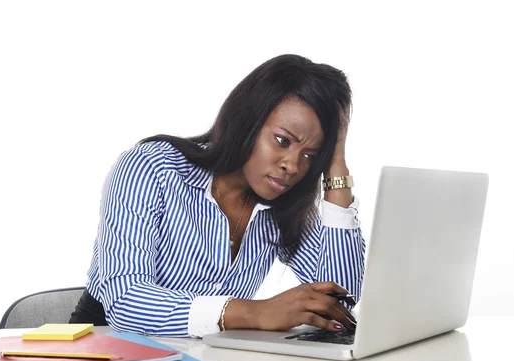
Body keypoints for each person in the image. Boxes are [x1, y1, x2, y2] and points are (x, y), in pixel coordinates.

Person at [70, 54, 366, 338]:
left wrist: (336, 164)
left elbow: (340, 302)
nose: (292, 165)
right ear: (247, 121)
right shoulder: (152, 168)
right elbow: (125, 303)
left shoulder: (283, 209)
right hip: (105, 360)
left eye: (310, 156)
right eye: (282, 140)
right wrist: (256, 313)